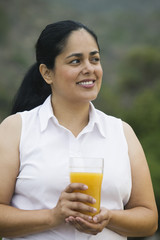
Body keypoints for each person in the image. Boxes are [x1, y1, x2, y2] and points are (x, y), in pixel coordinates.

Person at [0, 20, 158, 240]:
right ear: (47, 73)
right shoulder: (16, 129)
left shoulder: (122, 132)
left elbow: (149, 219)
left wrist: (110, 218)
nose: (89, 69)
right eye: (75, 61)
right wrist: (52, 216)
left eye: (94, 59)